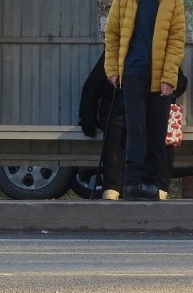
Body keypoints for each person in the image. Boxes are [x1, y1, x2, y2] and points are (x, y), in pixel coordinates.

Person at [103, 0, 186, 201]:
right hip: (132, 73)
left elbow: (176, 41)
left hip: (159, 75)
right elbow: (113, 34)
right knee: (136, 129)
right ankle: (133, 181)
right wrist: (113, 69)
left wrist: (169, 78)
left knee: (157, 129)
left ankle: (152, 181)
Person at [79, 53, 187, 200]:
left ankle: (112, 188)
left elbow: (92, 87)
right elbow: (180, 83)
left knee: (116, 143)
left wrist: (88, 120)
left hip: (118, 113)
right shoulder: (162, 53)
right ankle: (159, 187)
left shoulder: (116, 53)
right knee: (159, 140)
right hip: (144, 114)